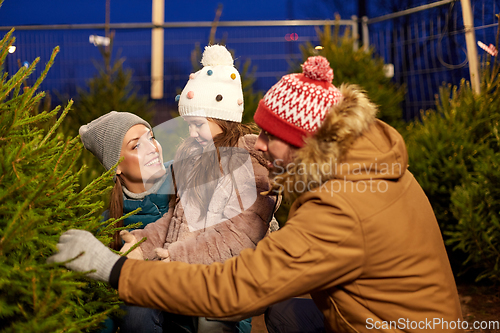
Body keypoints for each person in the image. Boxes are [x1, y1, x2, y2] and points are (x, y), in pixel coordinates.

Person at [49, 55, 464, 333]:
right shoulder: (364, 162)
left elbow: (238, 285)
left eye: (270, 136)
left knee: (225, 314)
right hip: (407, 318)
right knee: (286, 312)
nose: (257, 143)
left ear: (306, 142)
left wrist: (115, 270)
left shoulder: (340, 208)